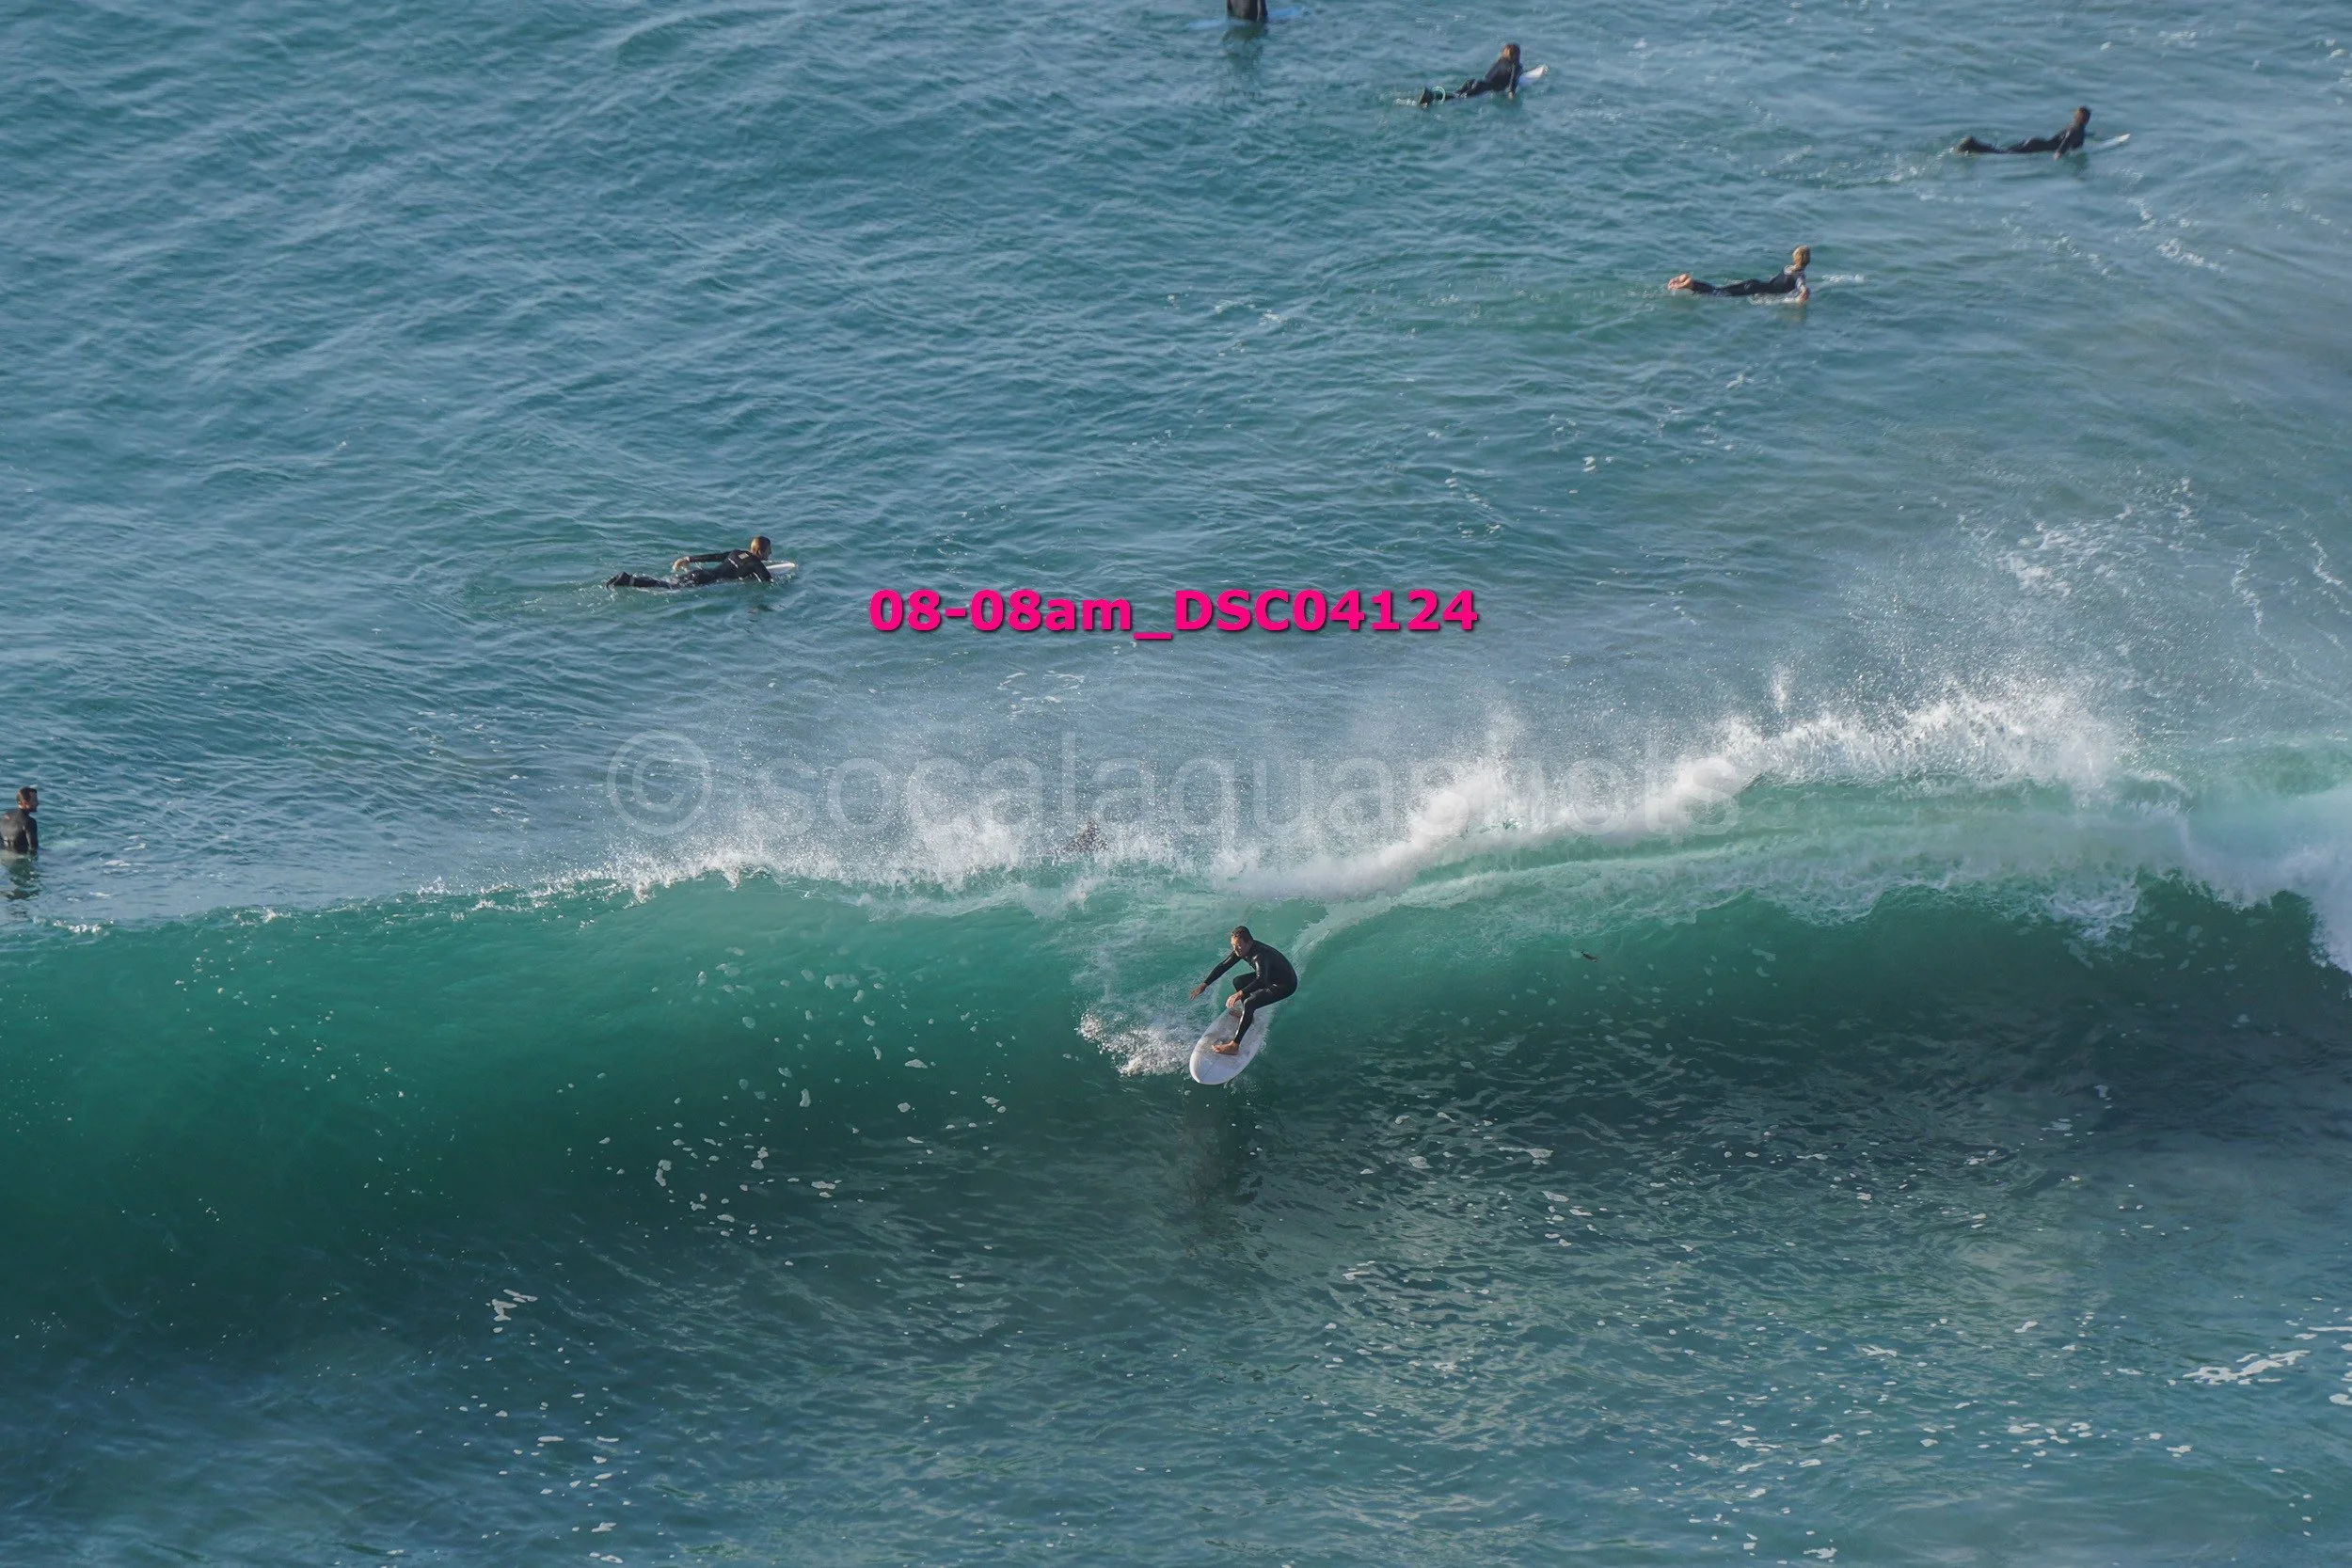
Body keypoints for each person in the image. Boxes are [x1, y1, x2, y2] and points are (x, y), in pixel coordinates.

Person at [1190, 925, 1297, 1054]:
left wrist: (1240, 994)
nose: (1235, 950)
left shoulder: (1259, 955)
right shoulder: (1241, 950)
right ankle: (1247, 1015)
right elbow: (1224, 965)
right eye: (1233, 945)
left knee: (1249, 1002)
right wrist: (1205, 984)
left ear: (1249, 943)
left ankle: (1234, 1046)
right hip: (1270, 976)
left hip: (1285, 984)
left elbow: (1261, 980)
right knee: (1238, 981)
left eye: (1238, 946)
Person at [606, 536, 775, 590]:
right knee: (668, 587)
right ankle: (628, 580)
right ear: (760, 552)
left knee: (666, 583)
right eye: (768, 550)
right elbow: (767, 581)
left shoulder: (737, 553)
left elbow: (715, 556)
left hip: (701, 573)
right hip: (705, 580)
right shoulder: (756, 564)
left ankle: (629, 580)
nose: (771, 553)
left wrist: (688, 559)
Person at [1668, 245, 1812, 302]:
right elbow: (1801, 285)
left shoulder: (1788, 268)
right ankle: (1691, 284)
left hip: (1755, 283)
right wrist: (1803, 294)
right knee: (1718, 294)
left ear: (1795, 258)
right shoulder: (1799, 276)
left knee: (1719, 289)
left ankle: (1689, 282)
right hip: (1755, 290)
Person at [1956, 106, 2090, 159]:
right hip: (2037, 146)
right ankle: (1972, 145)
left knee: (2002, 151)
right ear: (2086, 119)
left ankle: (1973, 145)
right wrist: (2059, 153)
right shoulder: (2077, 130)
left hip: (2036, 143)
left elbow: (2068, 136)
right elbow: (2067, 139)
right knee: (2003, 153)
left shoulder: (2074, 127)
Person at [1418, 43, 1521, 107]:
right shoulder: (1515, 66)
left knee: (1457, 94)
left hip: (1475, 82)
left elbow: (1490, 75)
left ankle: (1432, 95)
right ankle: (1432, 96)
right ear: (1517, 55)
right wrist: (1512, 99)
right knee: (1459, 98)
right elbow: (1512, 84)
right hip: (1483, 87)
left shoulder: (1499, 61)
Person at [1, 787, 37, 856]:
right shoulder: (29, 822)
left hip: (3, 858)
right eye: (34, 800)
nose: (37, 803)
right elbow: (33, 849)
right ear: (25, 803)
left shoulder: (5, 816)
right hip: (19, 858)